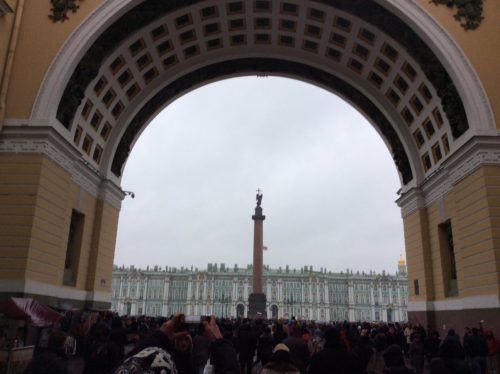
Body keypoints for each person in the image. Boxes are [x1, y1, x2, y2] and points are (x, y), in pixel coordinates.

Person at [114, 315, 241, 374]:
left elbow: (126, 363)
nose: (183, 343)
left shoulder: (124, 368)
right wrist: (221, 344)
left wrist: (159, 336)